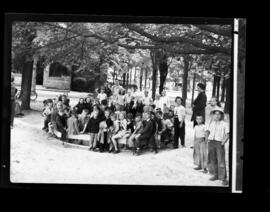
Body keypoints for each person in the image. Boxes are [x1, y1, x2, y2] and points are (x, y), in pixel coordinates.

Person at [205, 107, 229, 186]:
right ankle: (216, 175)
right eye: (216, 114)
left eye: (219, 114)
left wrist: (223, 142)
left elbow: (227, 134)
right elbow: (207, 131)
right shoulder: (211, 123)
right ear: (213, 115)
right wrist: (207, 139)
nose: (217, 116)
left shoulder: (224, 123)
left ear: (221, 115)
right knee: (213, 159)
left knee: (221, 160)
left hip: (219, 143)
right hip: (211, 142)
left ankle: (223, 178)